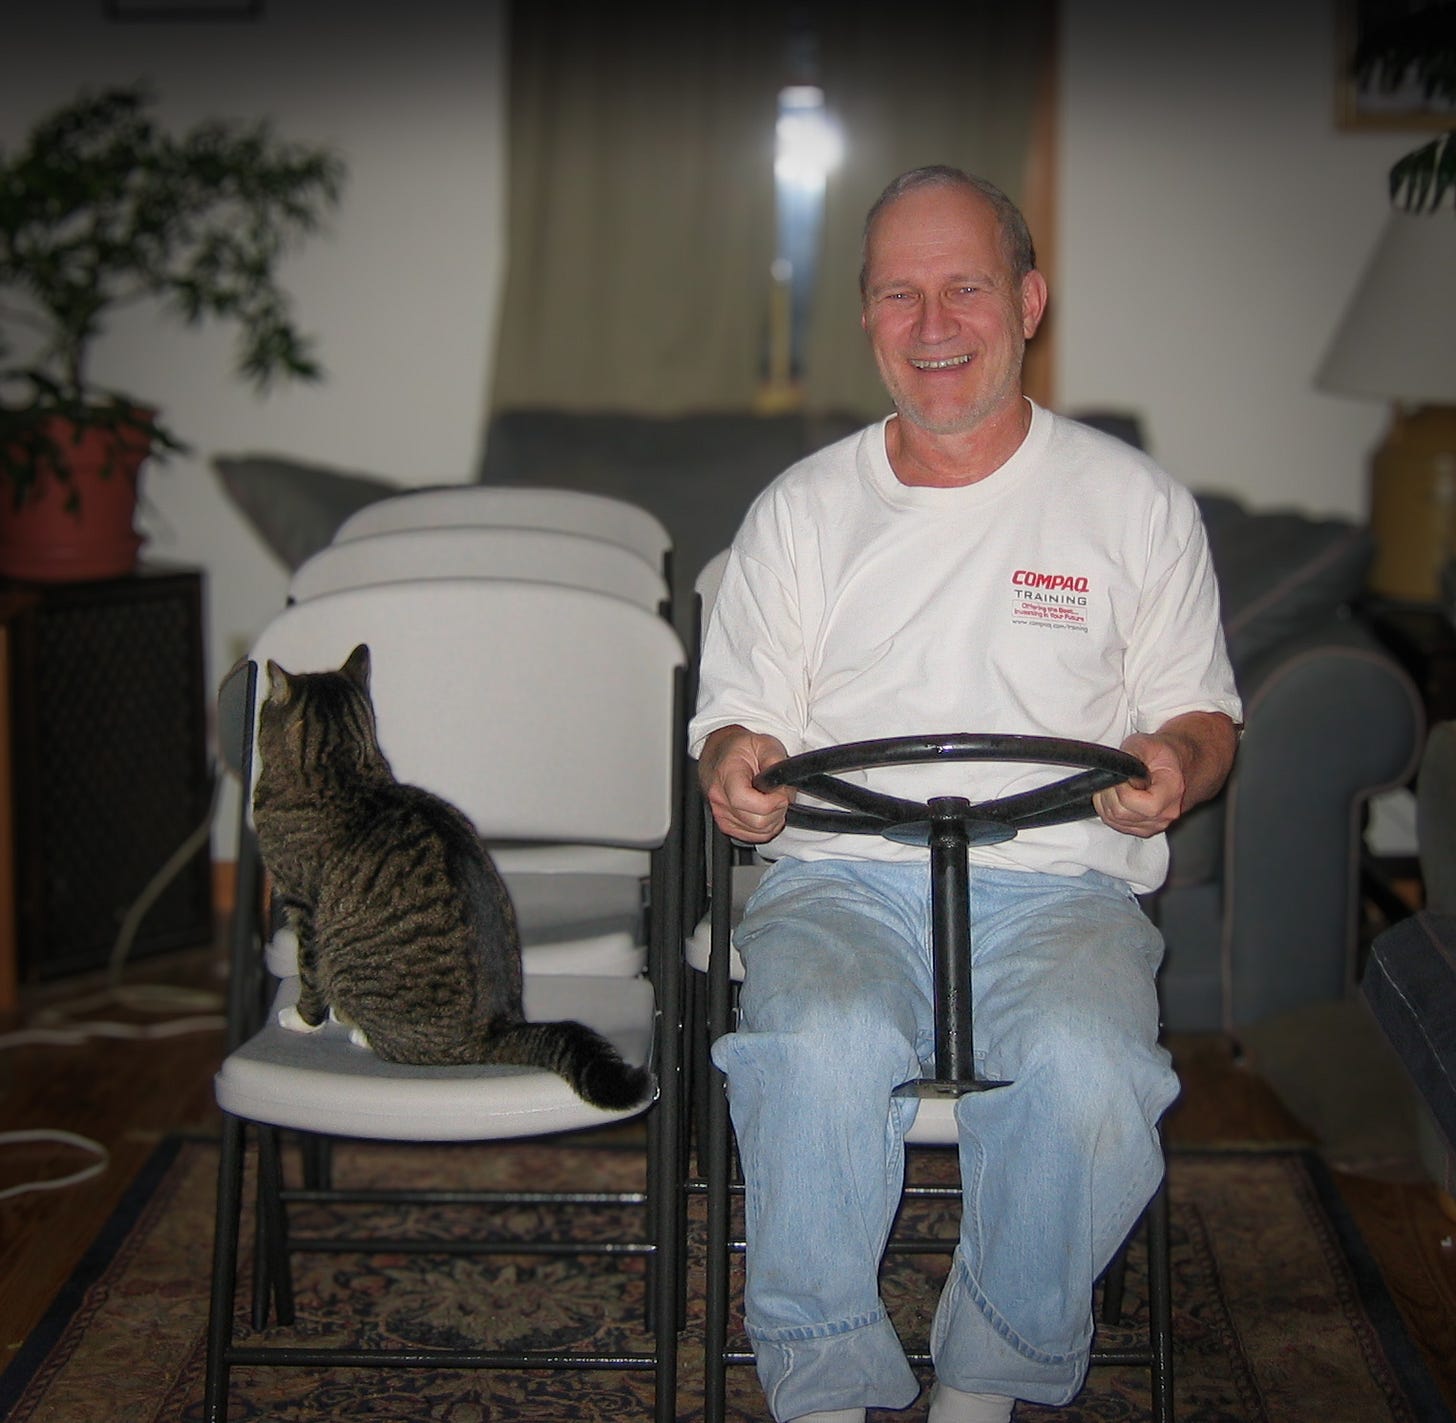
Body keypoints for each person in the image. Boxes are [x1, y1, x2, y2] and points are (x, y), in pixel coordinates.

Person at [688, 165, 1241, 1423]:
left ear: (1029, 301)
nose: (932, 325)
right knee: (814, 1046)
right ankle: (821, 1382)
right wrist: (735, 768)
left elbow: (1200, 714)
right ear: (868, 318)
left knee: (1095, 1072)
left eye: (965, 288)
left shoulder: (1134, 505)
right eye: (899, 294)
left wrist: (1175, 765)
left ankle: (987, 1375)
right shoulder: (801, 513)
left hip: (1062, 891)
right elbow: (742, 716)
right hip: (841, 878)